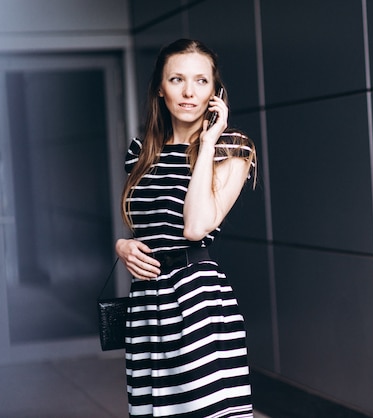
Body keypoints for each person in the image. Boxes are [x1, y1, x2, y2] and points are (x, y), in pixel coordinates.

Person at [115, 38, 257, 417]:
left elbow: (195, 228)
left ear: (215, 91)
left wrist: (208, 142)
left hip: (195, 299)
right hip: (146, 305)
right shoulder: (141, 150)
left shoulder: (233, 148)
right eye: (177, 79)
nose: (189, 92)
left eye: (201, 81)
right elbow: (144, 225)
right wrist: (122, 247)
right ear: (161, 89)